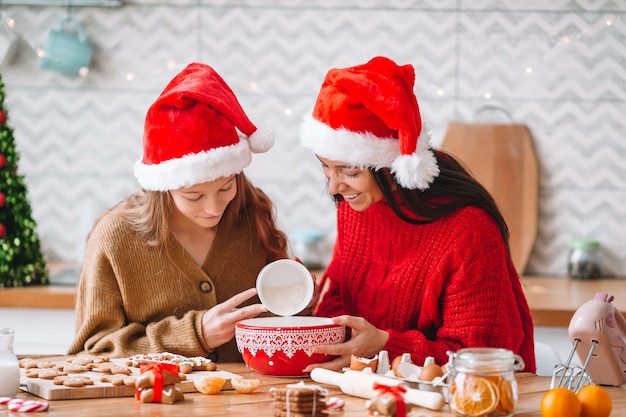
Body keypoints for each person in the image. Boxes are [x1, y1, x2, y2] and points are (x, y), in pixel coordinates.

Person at [299, 56, 536, 373]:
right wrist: (319, 315)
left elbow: (477, 357)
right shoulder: (359, 205)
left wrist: (384, 344)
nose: (335, 186)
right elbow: (342, 295)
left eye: (349, 172)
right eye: (325, 167)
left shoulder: (469, 231)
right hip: (371, 389)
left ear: (390, 164)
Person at [68, 63, 290, 362]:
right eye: (194, 196)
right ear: (165, 186)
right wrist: (193, 335)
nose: (214, 208)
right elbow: (92, 351)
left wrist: (302, 301)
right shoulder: (115, 237)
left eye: (225, 188)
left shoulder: (252, 211)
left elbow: (276, 321)